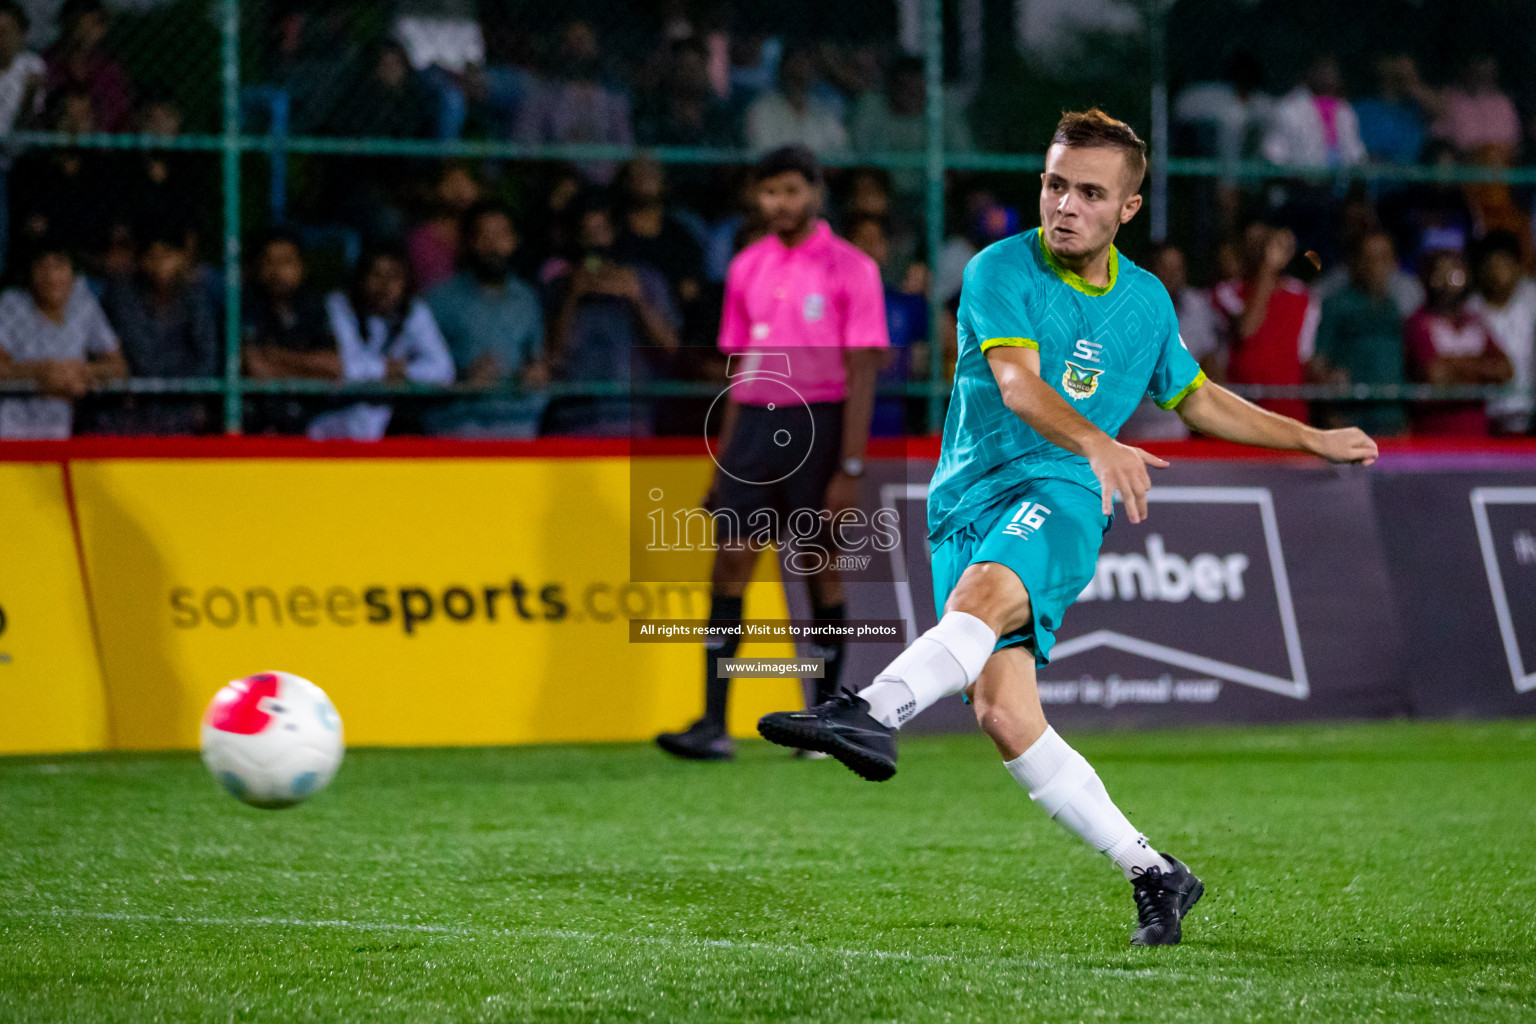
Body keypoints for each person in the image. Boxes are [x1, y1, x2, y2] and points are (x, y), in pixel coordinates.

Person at [754, 110, 1378, 947]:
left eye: (1090, 192)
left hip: (1064, 487)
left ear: (1128, 208)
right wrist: (1100, 434)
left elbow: (1194, 398)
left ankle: (868, 708)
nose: (1066, 205)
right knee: (1005, 716)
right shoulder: (998, 270)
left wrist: (1310, 437)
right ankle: (1156, 872)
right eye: (1055, 185)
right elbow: (1017, 384)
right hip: (966, 501)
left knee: (985, 595)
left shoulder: (1146, 302)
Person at [655, 146, 888, 761]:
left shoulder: (852, 267)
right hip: (755, 426)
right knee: (730, 563)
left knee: (818, 565)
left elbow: (863, 371)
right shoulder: (746, 266)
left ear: (815, 191)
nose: (778, 204)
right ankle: (712, 723)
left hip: (821, 421)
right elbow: (741, 370)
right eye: (768, 193)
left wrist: (852, 466)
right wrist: (724, 455)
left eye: (790, 191)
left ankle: (824, 723)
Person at [543, 191, 679, 436]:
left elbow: (671, 349)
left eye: (602, 231)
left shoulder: (646, 280)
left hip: (631, 420)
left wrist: (637, 300)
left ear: (617, 231)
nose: (596, 243)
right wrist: (572, 297)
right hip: (572, 422)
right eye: (587, 234)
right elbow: (551, 358)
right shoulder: (559, 286)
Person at [424, 201, 548, 438]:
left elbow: (537, 360)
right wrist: (463, 379)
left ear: (514, 241)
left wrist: (535, 374)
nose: (493, 246)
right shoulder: (440, 300)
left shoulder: (527, 299)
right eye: (484, 236)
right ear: (469, 242)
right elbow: (416, 370)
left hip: (516, 425)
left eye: (501, 236)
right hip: (457, 428)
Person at [307, 246, 454, 441]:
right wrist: (385, 369)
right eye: (376, 275)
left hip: (391, 422)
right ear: (361, 278)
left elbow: (444, 369)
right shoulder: (339, 305)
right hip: (335, 418)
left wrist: (405, 372)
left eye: (394, 277)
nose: (385, 286)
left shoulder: (414, 310)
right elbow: (347, 367)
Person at [98, 227, 220, 435]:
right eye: (153, 256)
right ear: (141, 259)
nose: (160, 264)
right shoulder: (121, 298)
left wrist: (187, 390)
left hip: (183, 400)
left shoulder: (195, 299)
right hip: (133, 401)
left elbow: (208, 357)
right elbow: (131, 350)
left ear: (182, 257)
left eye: (168, 256)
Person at [0, 239, 126, 438]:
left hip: (62, 433)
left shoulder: (84, 305)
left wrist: (83, 371)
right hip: (10, 432)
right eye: (41, 266)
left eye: (58, 265)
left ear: (73, 272)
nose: (50, 276)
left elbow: (119, 368)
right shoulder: (11, 304)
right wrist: (40, 372)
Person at [241, 230, 341, 435]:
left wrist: (277, 356)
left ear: (301, 266)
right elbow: (257, 369)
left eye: (285, 262)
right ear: (257, 267)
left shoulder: (313, 308)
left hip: (310, 429)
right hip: (257, 429)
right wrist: (309, 371)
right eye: (269, 261)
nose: (277, 271)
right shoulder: (244, 307)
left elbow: (332, 368)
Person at [1213, 223, 1316, 422]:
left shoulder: (1302, 296)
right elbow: (1246, 329)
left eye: (1265, 243)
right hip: (1243, 412)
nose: (1261, 250)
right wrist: (1268, 269)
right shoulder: (1227, 291)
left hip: (1288, 413)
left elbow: (1305, 355)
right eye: (1253, 243)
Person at [1118, 244, 1223, 440]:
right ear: (1147, 270)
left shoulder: (1197, 306)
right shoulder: (1123, 306)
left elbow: (1210, 362)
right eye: (1166, 267)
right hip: (1131, 429)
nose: (1173, 274)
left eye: (1178, 268)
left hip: (1179, 430)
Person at [1309, 230, 1408, 436]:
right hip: (1350, 421)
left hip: (1392, 421)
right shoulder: (1335, 305)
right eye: (1370, 259)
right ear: (1355, 262)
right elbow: (1317, 364)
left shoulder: (1395, 308)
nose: (1377, 267)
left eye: (1383, 258)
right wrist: (1331, 412)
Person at [1405, 248, 1512, 436]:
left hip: (1477, 435)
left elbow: (1505, 371)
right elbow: (1435, 375)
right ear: (1427, 278)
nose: (1447, 282)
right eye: (1440, 274)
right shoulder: (1418, 323)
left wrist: (1452, 364)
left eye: (1455, 274)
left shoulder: (1476, 322)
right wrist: (1480, 367)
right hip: (1433, 436)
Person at [1466, 230, 1536, 435]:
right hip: (1486, 417)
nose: (1497, 273)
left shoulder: (1532, 300)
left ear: (1518, 267)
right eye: (1491, 265)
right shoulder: (1471, 309)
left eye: (1504, 264)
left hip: (1530, 414)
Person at [744, 43, 848, 155]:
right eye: (796, 63)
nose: (801, 70)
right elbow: (760, 157)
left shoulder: (824, 114)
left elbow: (841, 154)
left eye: (808, 64)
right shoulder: (761, 110)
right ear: (782, 69)